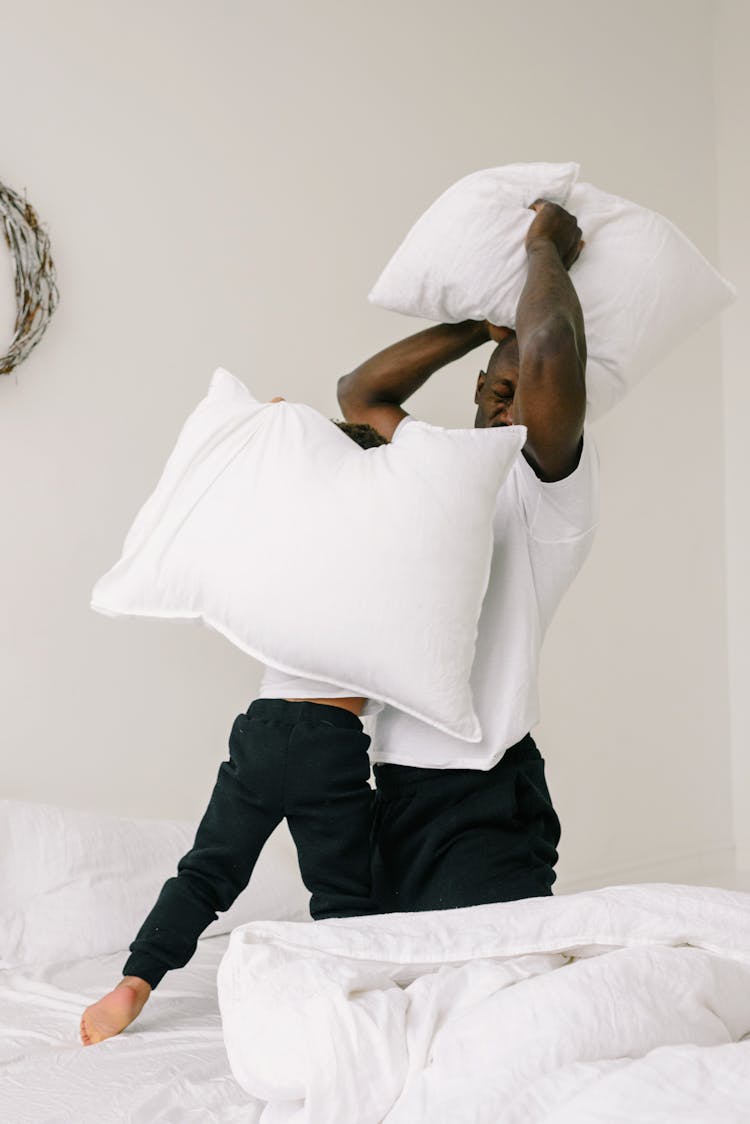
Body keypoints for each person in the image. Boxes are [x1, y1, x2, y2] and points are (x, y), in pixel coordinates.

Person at [79, 413, 389, 1047]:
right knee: (345, 890)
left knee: (207, 871)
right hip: (331, 738)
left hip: (263, 728)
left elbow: (263, 429)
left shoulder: (288, 548)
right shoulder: (385, 559)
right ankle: (344, 996)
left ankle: (135, 982)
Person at [336, 198, 599, 913]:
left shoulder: (549, 483)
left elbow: (548, 347)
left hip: (481, 797)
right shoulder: (440, 462)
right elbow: (359, 395)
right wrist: (474, 327)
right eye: (502, 392)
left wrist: (542, 249)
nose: (514, 411)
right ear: (479, 391)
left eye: (533, 397)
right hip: (391, 787)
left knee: (491, 995)